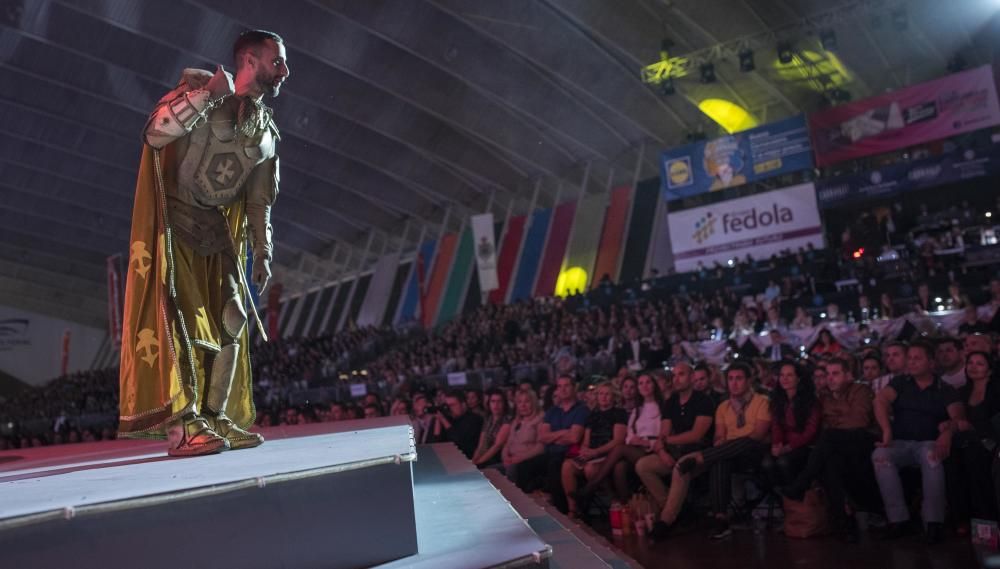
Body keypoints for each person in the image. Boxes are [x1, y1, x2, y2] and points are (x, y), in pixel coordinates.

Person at [118, 30, 289, 456]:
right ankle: (182, 425)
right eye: (277, 61)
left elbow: (258, 199)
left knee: (233, 320)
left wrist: (263, 251)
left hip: (215, 231)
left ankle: (214, 416)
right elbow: (156, 134)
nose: (284, 70)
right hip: (174, 222)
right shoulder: (198, 90)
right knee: (180, 321)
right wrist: (209, 95)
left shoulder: (266, 130)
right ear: (249, 60)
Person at [652, 363, 771, 540]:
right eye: (730, 379)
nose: (734, 383)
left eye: (738, 379)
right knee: (720, 458)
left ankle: (701, 457)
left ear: (748, 381)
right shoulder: (723, 407)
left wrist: (724, 444)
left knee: (745, 441)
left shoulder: (762, 401)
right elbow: (719, 436)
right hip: (727, 453)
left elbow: (758, 435)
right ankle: (720, 518)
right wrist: (720, 442)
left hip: (753, 451)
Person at [872, 341, 966, 543]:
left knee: (932, 456)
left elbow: (957, 417)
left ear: (931, 362)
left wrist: (948, 431)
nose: (912, 362)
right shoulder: (901, 383)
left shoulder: (944, 388)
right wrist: (887, 430)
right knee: (880, 455)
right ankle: (899, 520)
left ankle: (934, 522)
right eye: (910, 358)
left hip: (928, 442)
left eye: (917, 358)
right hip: (901, 442)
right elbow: (880, 400)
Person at [782, 357, 879, 542]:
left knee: (829, 437)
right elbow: (823, 425)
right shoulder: (824, 397)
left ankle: (802, 482)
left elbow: (859, 421)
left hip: (864, 441)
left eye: (836, 374)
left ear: (848, 375)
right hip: (838, 446)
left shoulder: (860, 390)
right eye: (828, 374)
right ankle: (844, 521)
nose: (830, 378)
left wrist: (835, 425)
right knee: (830, 462)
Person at [635, 362, 714, 517]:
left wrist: (666, 442)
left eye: (681, 374)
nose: (676, 379)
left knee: (681, 467)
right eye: (674, 375)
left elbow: (696, 435)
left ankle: (666, 520)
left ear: (692, 377)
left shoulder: (704, 401)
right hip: (675, 451)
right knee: (643, 465)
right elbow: (663, 433)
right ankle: (672, 509)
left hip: (699, 453)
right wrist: (663, 452)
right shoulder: (671, 402)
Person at [578, 371, 664, 501]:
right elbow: (629, 434)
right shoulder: (638, 409)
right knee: (619, 467)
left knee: (619, 449)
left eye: (648, 382)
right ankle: (624, 504)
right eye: (641, 383)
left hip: (654, 449)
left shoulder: (662, 407)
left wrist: (647, 443)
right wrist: (633, 440)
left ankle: (590, 487)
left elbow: (663, 432)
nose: (644, 386)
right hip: (635, 449)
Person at [561, 382, 626, 518]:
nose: (604, 397)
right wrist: (585, 450)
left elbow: (618, 440)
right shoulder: (592, 415)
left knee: (590, 468)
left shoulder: (619, 413)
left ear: (614, 397)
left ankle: (613, 500)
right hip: (592, 453)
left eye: (607, 394)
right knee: (567, 466)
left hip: (609, 453)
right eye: (601, 394)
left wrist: (596, 452)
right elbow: (586, 440)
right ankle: (574, 508)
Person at [949, 352, 1000, 524]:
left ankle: (986, 517)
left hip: (991, 442)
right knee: (951, 456)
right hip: (967, 441)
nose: (973, 367)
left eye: (980, 364)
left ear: (989, 370)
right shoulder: (962, 392)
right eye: (970, 362)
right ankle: (962, 517)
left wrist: (974, 428)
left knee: (973, 456)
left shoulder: (996, 392)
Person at [761, 362, 820, 488]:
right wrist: (777, 445)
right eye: (782, 375)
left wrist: (789, 447)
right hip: (783, 444)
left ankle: (795, 494)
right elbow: (776, 426)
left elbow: (811, 431)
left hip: (804, 445)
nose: (784, 379)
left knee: (783, 462)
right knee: (767, 463)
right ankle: (783, 498)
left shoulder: (811, 401)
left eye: (789, 375)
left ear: (798, 378)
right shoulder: (777, 399)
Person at [539, 375, 590, 513]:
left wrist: (553, 436)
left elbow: (574, 438)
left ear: (574, 388)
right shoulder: (552, 411)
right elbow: (542, 436)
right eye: (560, 386)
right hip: (549, 452)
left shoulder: (581, 410)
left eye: (566, 385)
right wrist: (563, 432)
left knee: (555, 464)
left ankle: (562, 512)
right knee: (524, 466)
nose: (563, 389)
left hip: (568, 453)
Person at [502, 389, 547, 492]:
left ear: (534, 403)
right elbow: (507, 444)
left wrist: (519, 458)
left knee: (511, 471)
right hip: (511, 460)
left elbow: (541, 447)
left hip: (526, 461)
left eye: (527, 401)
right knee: (490, 471)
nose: (523, 405)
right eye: (519, 402)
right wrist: (505, 457)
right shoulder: (516, 421)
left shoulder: (541, 419)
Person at [433, 391, 484, 460]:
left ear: (463, 405)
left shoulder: (474, 419)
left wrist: (443, 420)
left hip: (467, 459)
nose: (449, 409)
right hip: (448, 459)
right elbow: (436, 443)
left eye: (452, 405)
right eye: (447, 406)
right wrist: (438, 420)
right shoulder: (448, 419)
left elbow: (459, 442)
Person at [472, 389, 512, 468]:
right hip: (488, 456)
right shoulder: (488, 418)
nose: (496, 405)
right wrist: (474, 460)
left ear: (504, 404)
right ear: (489, 403)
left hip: (499, 457)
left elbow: (496, 447)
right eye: (493, 401)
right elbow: (481, 445)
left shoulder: (507, 420)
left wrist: (478, 462)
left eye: (499, 401)